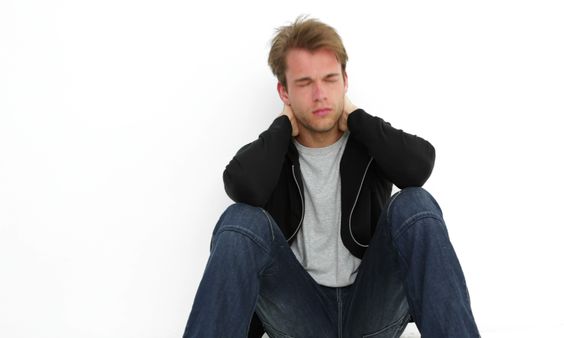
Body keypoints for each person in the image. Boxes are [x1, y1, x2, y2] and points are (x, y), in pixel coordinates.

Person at [183, 16, 480, 338]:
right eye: (305, 83)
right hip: (300, 315)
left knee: (416, 203)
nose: (320, 94)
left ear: (345, 81)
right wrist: (281, 129)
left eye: (330, 79)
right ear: (284, 91)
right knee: (240, 218)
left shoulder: (370, 142)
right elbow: (243, 187)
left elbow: (417, 168)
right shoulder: (273, 152)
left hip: (371, 309)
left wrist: (358, 119)